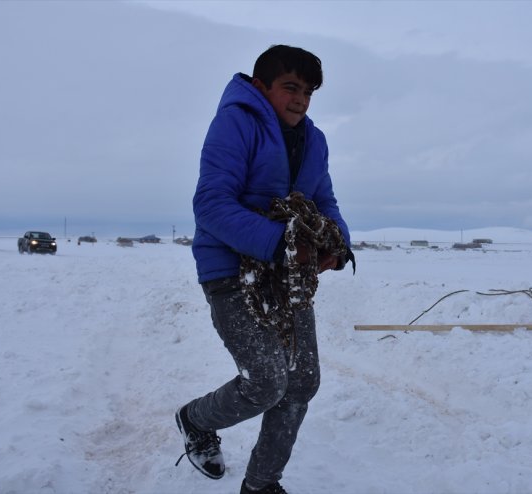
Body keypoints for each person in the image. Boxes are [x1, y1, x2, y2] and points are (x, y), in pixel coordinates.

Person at [175, 45, 355, 494]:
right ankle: (194, 420)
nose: (300, 100)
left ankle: (261, 484)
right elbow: (211, 204)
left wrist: (337, 243)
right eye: (290, 88)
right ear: (261, 86)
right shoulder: (236, 122)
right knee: (267, 381)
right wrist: (284, 246)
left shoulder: (314, 140)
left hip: (285, 277)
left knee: (302, 381)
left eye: (309, 92)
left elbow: (324, 202)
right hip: (230, 271)